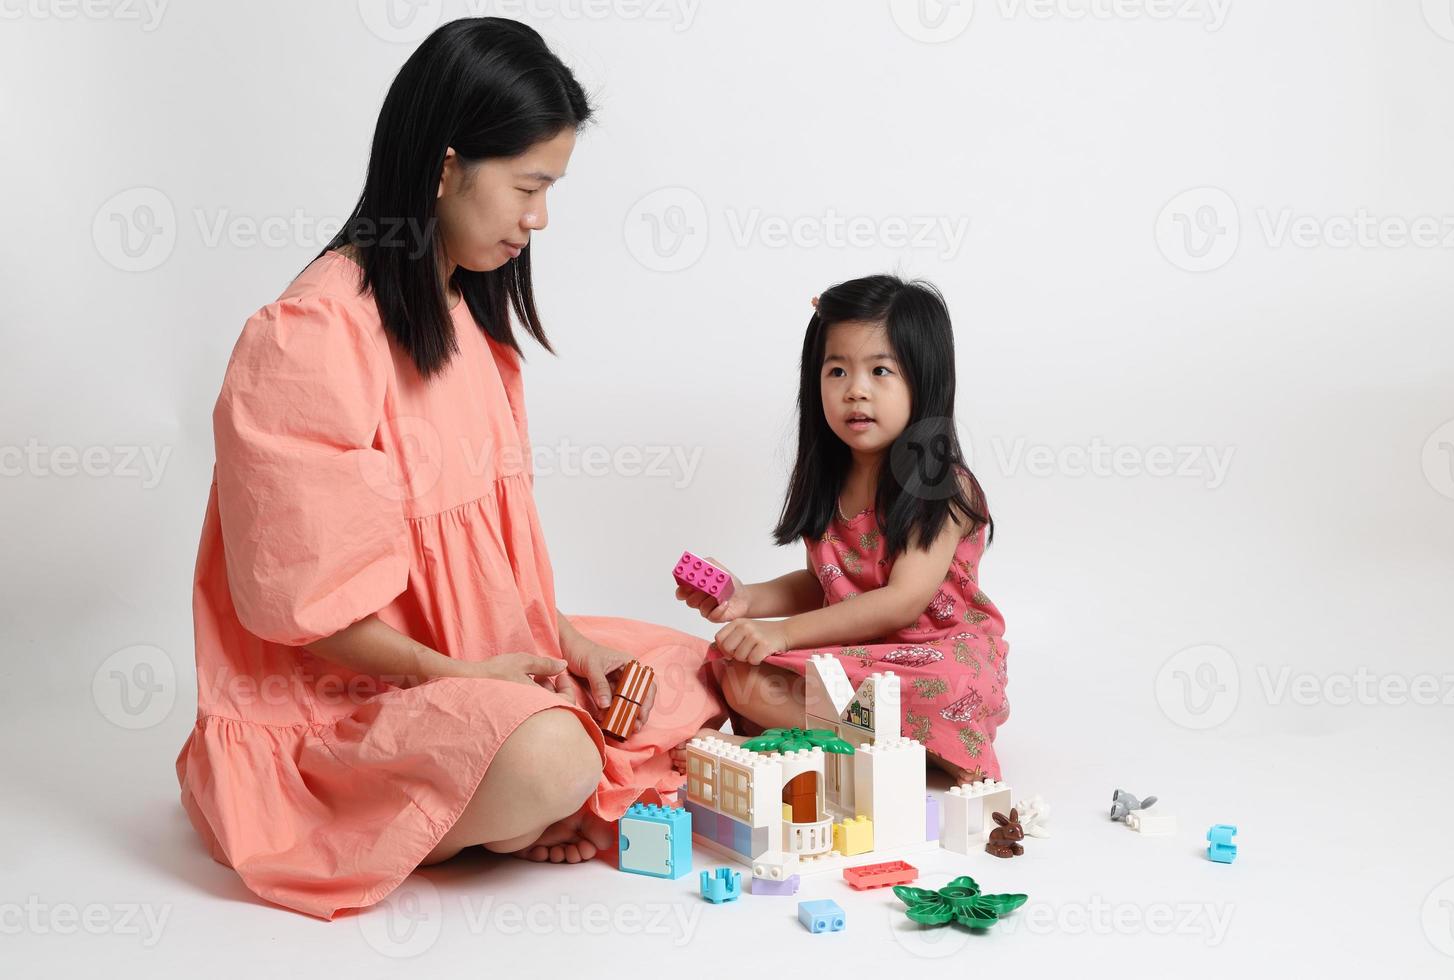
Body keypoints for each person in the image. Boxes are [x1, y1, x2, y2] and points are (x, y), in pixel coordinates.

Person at [175, 17, 725, 921]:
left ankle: (493, 804)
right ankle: (474, 811)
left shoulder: (466, 317)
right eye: (529, 186)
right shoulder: (311, 338)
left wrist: (566, 646)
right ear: (443, 167)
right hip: (355, 708)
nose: (540, 217)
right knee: (558, 759)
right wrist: (462, 679)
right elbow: (309, 617)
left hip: (482, 675)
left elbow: (491, 558)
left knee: (690, 670)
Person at [674, 275, 1008, 784]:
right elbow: (825, 585)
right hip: (854, 659)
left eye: (880, 371)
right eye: (837, 371)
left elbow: (899, 602)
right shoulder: (832, 483)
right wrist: (747, 600)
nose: (856, 390)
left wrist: (783, 632)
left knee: (949, 683)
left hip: (930, 657)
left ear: (926, 379)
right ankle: (874, 749)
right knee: (737, 671)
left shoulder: (942, 485)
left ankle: (812, 748)